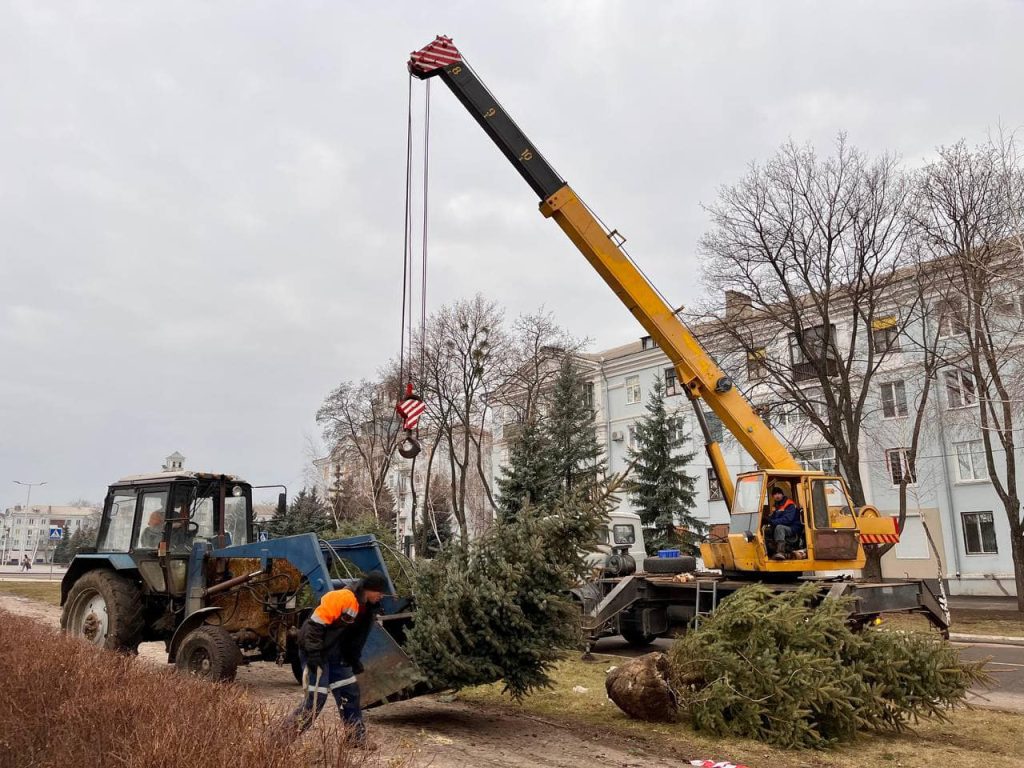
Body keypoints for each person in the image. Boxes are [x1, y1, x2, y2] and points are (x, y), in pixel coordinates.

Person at [283, 571, 388, 746]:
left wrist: (353, 659)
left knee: (350, 692)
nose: (382, 596)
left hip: (336, 655)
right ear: (369, 589)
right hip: (317, 652)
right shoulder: (342, 598)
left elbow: (352, 638)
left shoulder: (367, 609)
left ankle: (355, 738)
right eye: (380, 592)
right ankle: (280, 739)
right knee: (317, 700)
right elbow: (313, 626)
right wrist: (314, 655)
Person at [766, 486, 803, 560]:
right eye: (775, 494)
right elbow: (774, 517)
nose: (777, 495)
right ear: (773, 496)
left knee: (779, 528)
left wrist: (772, 522)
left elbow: (788, 520)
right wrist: (766, 519)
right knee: (766, 530)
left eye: (779, 493)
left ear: (782, 494)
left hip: (792, 528)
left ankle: (781, 552)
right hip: (785, 526)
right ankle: (770, 551)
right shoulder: (776, 506)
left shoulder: (789, 505)